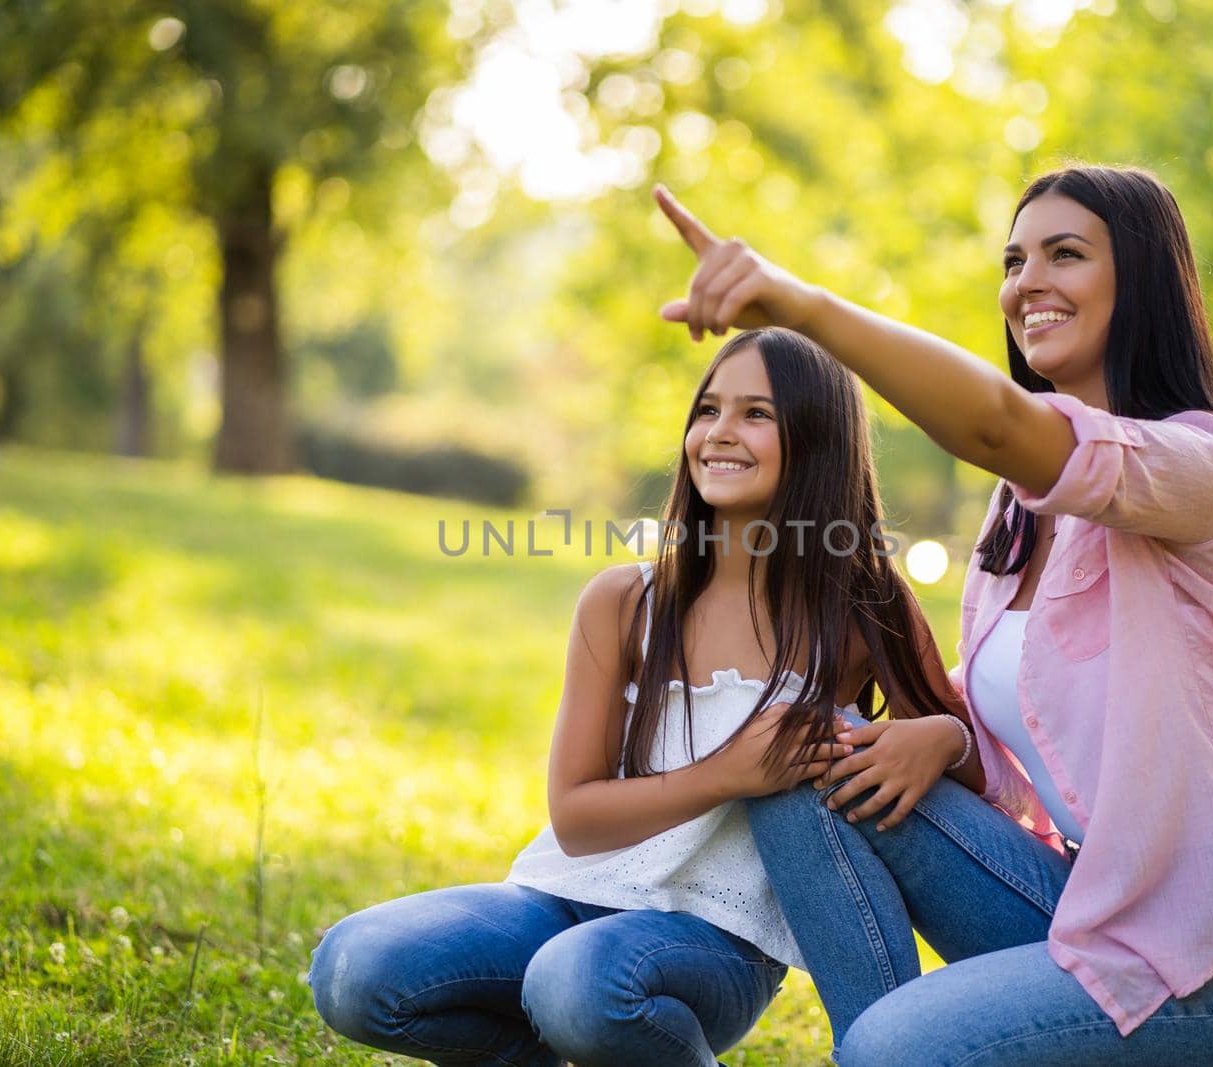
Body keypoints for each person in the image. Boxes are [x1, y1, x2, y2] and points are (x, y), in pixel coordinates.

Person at [654, 164, 1213, 1066]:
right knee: (805, 751)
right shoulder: (1021, 506)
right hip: (1087, 905)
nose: (1028, 282)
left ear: (1138, 278)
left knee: (895, 1049)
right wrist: (943, 739)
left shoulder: (1203, 467)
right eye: (1016, 259)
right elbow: (1025, 707)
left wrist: (801, 305)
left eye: (1065, 254)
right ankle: (878, 1046)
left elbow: (996, 423)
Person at [308, 326, 976, 1066]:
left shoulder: (862, 607)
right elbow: (577, 817)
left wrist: (946, 736)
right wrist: (730, 774)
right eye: (708, 410)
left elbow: (964, 777)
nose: (719, 433)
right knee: (351, 967)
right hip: (562, 895)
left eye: (757, 413)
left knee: (580, 985)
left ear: (817, 440)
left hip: (716, 938)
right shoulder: (626, 600)